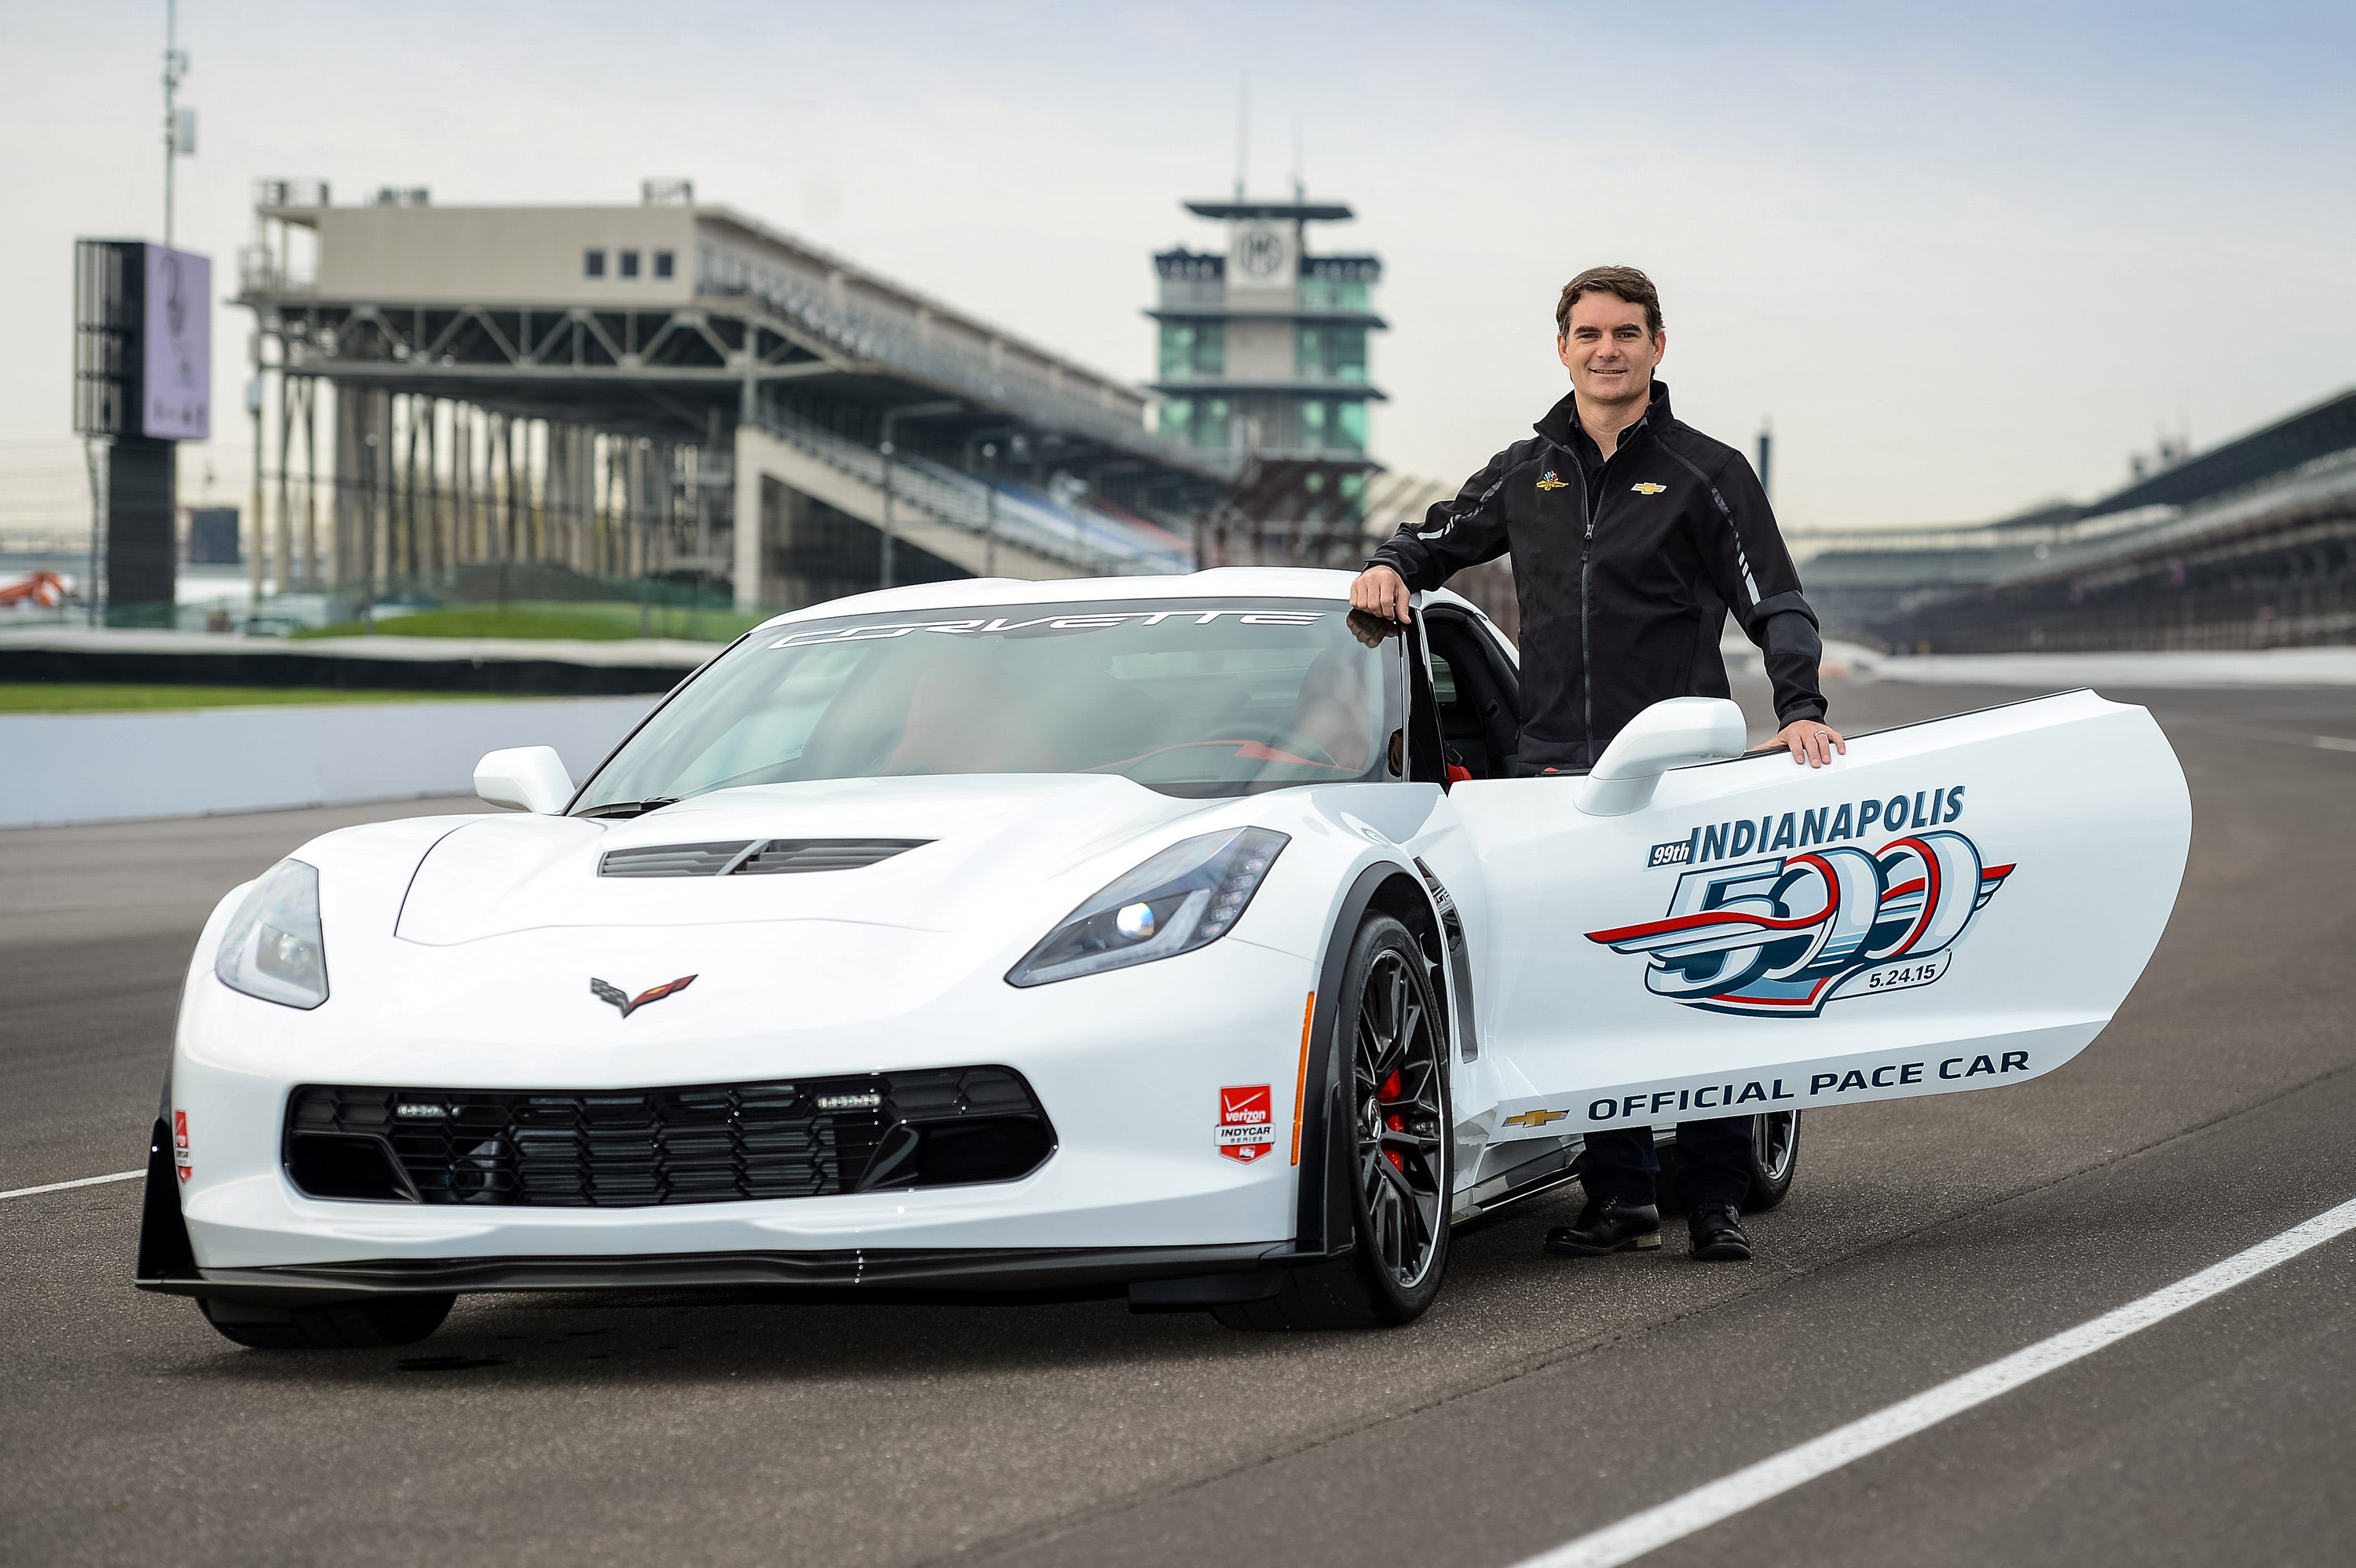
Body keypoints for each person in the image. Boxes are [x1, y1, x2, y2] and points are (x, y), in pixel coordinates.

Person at [1349, 265, 1845, 1264]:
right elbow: (1441, 535)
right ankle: (1618, 1195)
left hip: (1678, 772)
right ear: (1563, 347)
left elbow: (1774, 598)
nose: (1605, 349)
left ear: (1658, 347)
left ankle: (1711, 1197)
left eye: (1625, 333)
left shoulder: (1707, 471)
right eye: (1587, 333)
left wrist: (1800, 708)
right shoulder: (1528, 468)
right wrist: (1393, 565)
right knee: (1591, 982)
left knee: (1702, 980)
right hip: (1558, 778)